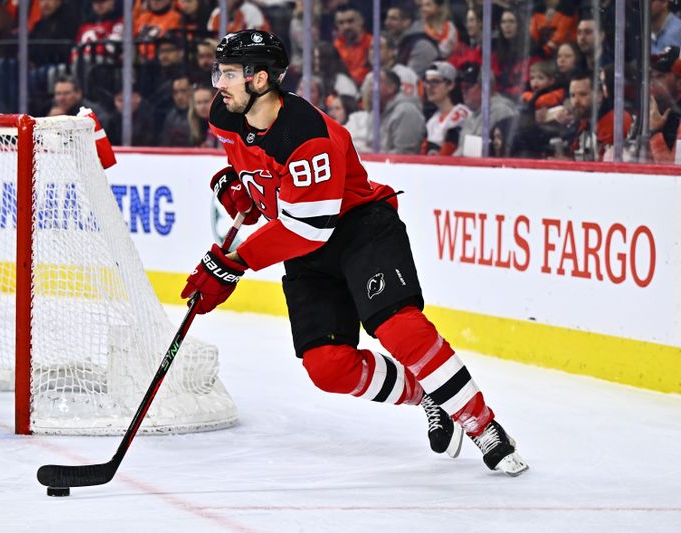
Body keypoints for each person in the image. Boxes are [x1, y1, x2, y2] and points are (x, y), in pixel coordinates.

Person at [181, 30, 529, 476]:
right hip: (307, 244)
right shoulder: (226, 114)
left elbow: (307, 229)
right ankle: (430, 394)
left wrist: (232, 264)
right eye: (219, 72)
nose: (218, 84)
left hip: (359, 230)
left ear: (260, 79)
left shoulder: (310, 138)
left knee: (399, 329)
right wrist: (235, 183)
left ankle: (484, 426)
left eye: (228, 74)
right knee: (328, 368)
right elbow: (250, 163)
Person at [421, 61, 469, 155]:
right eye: (427, 82)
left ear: (450, 85)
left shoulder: (461, 114)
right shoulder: (432, 121)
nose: (429, 87)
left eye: (435, 82)